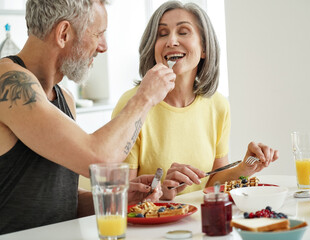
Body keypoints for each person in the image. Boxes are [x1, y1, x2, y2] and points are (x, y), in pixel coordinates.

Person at [0, 0, 176, 234]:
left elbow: (62, 199)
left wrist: (119, 197)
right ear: (63, 33)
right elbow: (100, 162)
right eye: (98, 34)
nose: (104, 46)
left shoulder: (64, 98)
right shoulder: (8, 83)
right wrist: (144, 97)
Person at [112, 1, 279, 201]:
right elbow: (121, 199)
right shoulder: (134, 103)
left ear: (204, 49)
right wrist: (163, 193)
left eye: (183, 32)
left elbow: (213, 184)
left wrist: (245, 167)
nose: (171, 41)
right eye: (162, 34)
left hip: (200, 223)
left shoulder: (218, 105)